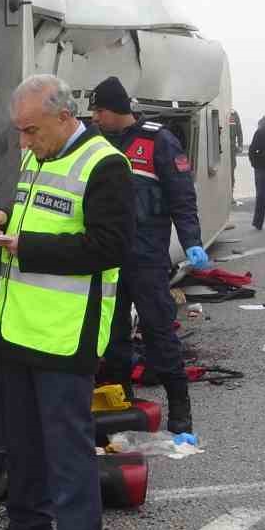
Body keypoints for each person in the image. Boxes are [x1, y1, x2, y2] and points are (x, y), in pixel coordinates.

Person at [0, 74, 131, 530]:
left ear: (64, 116)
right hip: (18, 326)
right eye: (20, 131)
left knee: (68, 453)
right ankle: (31, 528)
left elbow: (107, 246)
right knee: (22, 441)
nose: (24, 142)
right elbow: (36, 217)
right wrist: (1, 220)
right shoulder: (38, 157)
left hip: (66, 335)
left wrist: (25, 245)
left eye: (32, 130)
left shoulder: (105, 163)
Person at [90, 76, 210, 435]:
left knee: (159, 332)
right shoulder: (95, 144)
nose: (94, 117)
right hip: (108, 259)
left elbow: (181, 196)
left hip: (146, 258)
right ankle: (122, 402)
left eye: (99, 110)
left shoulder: (158, 141)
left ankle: (180, 410)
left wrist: (192, 240)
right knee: (112, 336)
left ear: (117, 110)